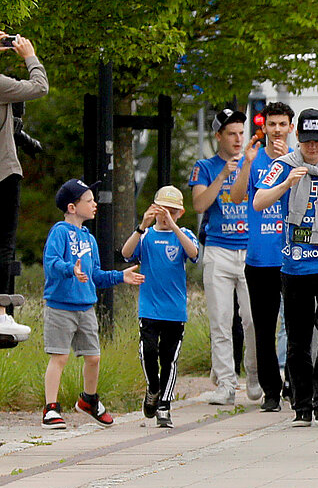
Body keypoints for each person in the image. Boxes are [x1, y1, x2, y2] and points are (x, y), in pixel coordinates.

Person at [253, 109, 318, 426]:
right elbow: (258, 201)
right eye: (307, 142)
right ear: (298, 138)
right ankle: (302, 404)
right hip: (295, 265)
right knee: (297, 341)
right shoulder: (282, 165)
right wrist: (285, 183)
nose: (312, 148)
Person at [41, 180, 145, 428]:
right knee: (60, 357)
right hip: (60, 306)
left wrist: (121, 276)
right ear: (72, 207)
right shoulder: (59, 232)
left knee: (93, 357)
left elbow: (96, 275)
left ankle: (89, 400)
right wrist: (70, 269)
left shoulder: (89, 239)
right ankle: (50, 409)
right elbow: (51, 263)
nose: (94, 204)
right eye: (88, 200)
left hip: (86, 307)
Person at [190, 108, 256, 406]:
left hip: (249, 249)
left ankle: (254, 376)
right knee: (221, 319)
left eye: (241, 133)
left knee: (253, 320)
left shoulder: (253, 162)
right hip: (218, 248)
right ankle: (226, 382)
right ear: (219, 136)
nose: (238, 139)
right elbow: (200, 204)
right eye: (231, 133)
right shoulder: (204, 166)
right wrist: (223, 175)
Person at [234, 101, 294, 411]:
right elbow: (235, 195)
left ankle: (296, 384)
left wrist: (285, 159)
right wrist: (246, 164)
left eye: (282, 124)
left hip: (293, 256)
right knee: (263, 326)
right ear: (265, 127)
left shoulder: (296, 160)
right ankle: (272, 389)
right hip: (260, 258)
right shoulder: (255, 159)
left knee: (297, 325)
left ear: (290, 128)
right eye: (272, 124)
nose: (277, 130)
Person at [122, 186, 198, 428]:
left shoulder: (183, 233)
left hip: (174, 310)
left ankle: (164, 405)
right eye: (162, 210)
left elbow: (194, 252)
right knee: (148, 351)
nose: (165, 215)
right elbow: (125, 253)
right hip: (150, 307)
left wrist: (174, 227)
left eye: (172, 212)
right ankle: (153, 389)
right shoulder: (146, 236)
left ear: (179, 213)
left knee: (169, 358)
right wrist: (141, 225)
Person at [0, 33, 48, 330]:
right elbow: (39, 87)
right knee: (4, 245)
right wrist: (29, 55)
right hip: (3, 172)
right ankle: (1, 314)